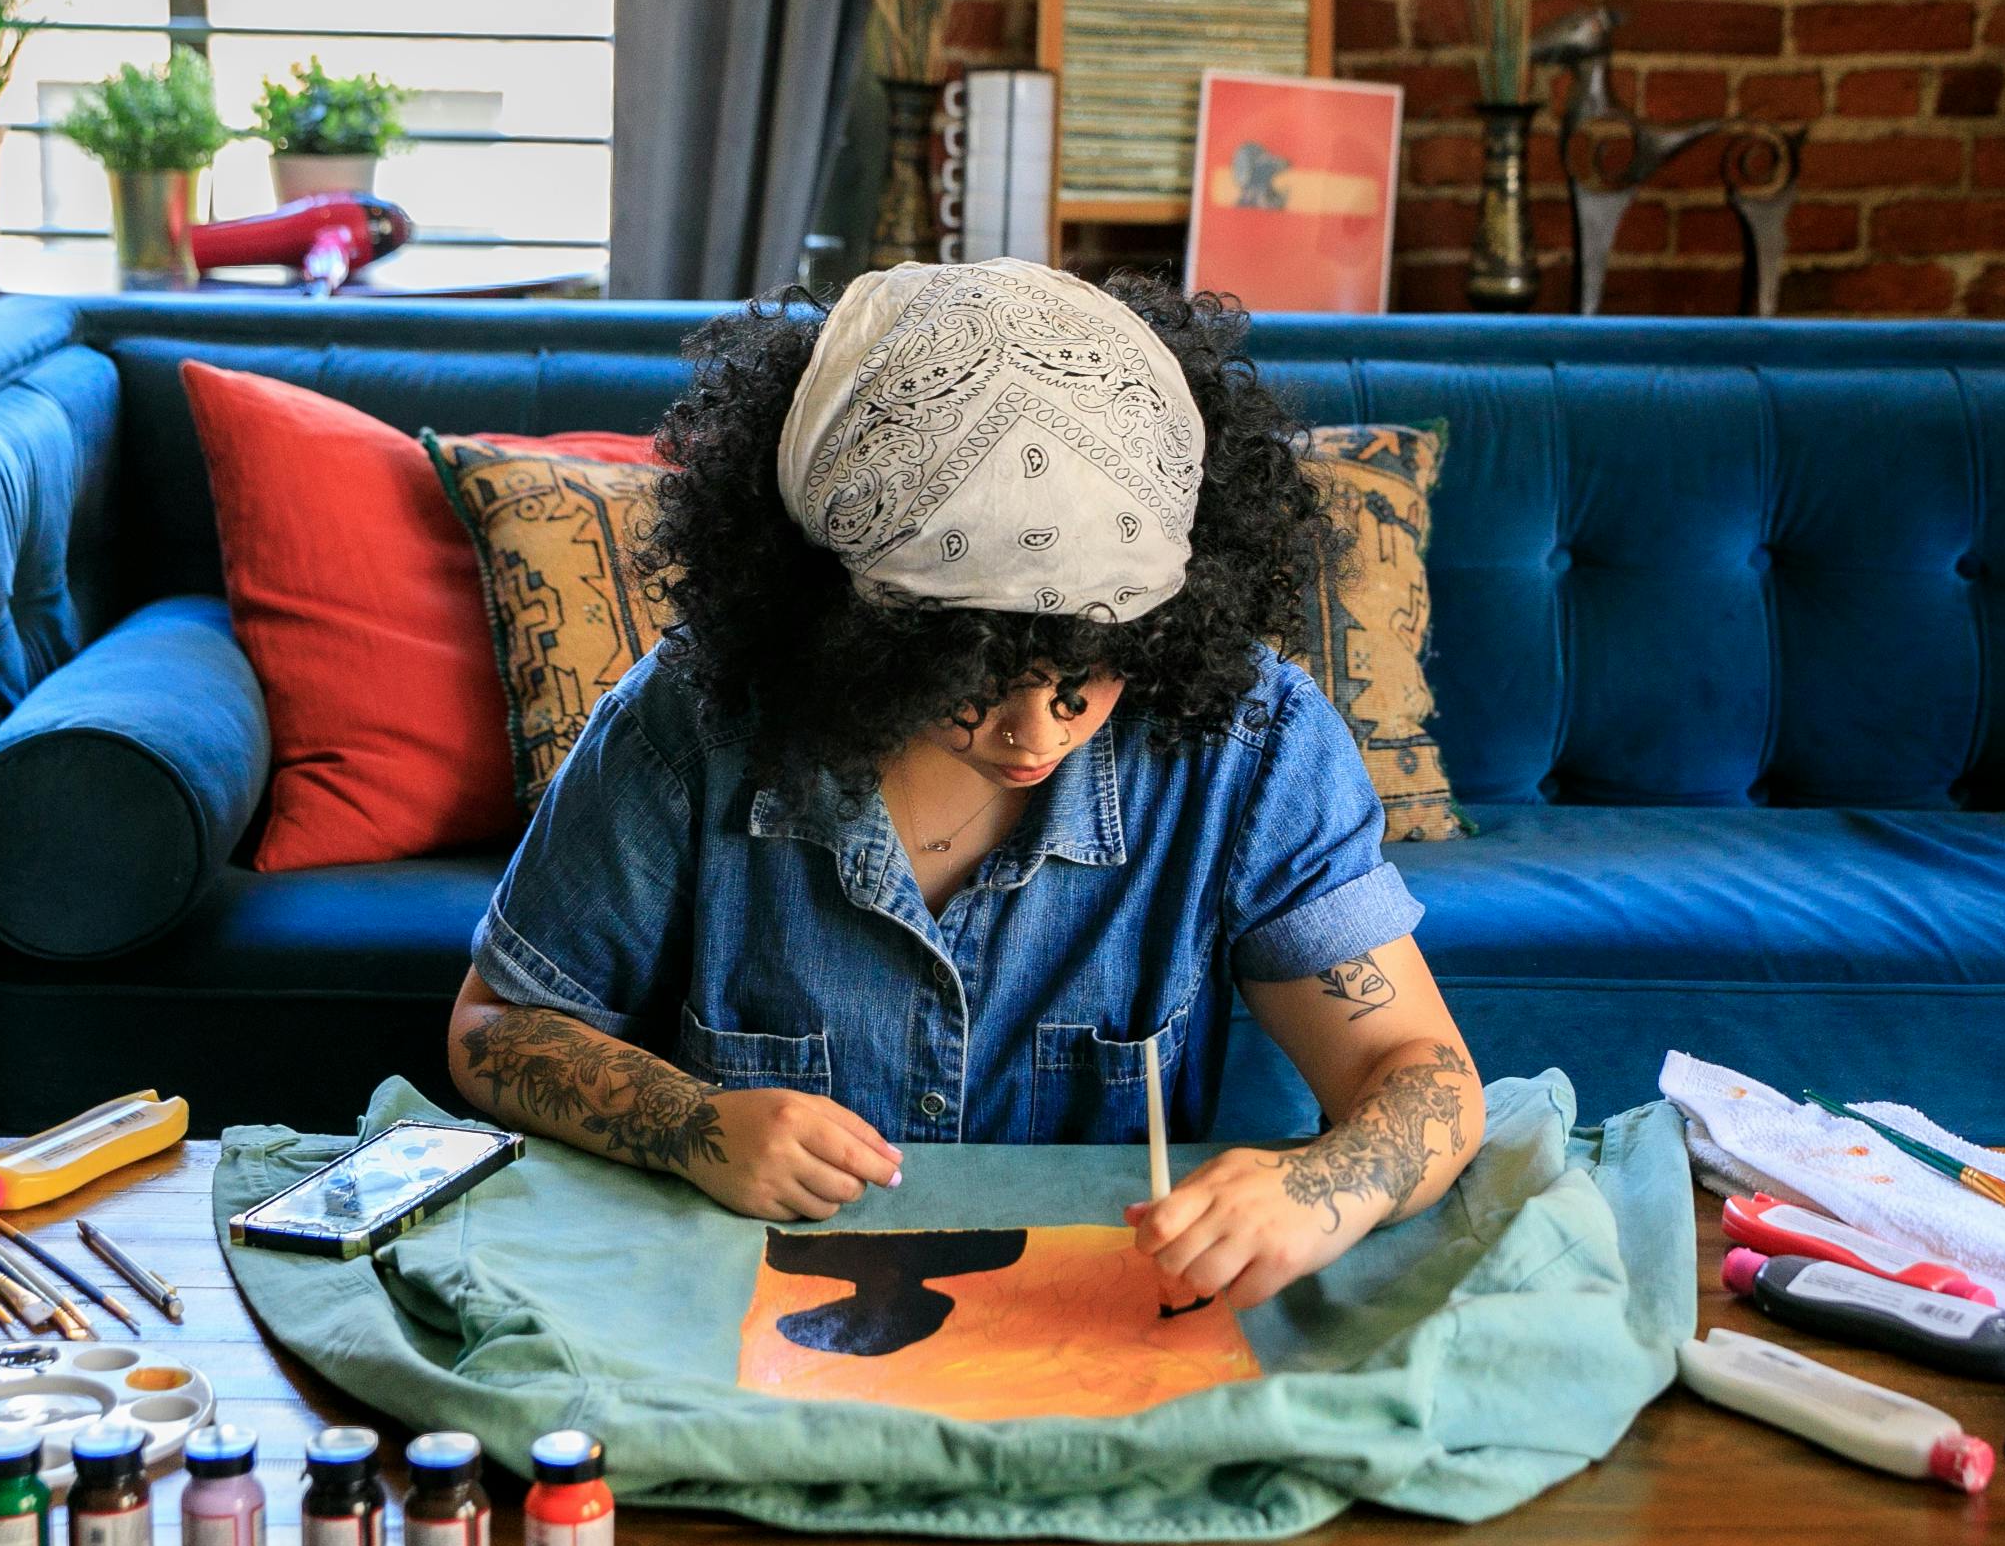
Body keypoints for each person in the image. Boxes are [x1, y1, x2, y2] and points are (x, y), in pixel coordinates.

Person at [445, 257, 1485, 1312]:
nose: (1036, 730)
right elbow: (493, 1030)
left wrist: (1321, 1189)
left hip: (1100, 1328)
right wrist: (692, 1123)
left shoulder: (1251, 741)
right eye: (972, 683)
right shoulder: (688, 723)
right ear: (855, 633)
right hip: (751, 1324)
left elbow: (1423, 1072)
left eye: (1088, 675)